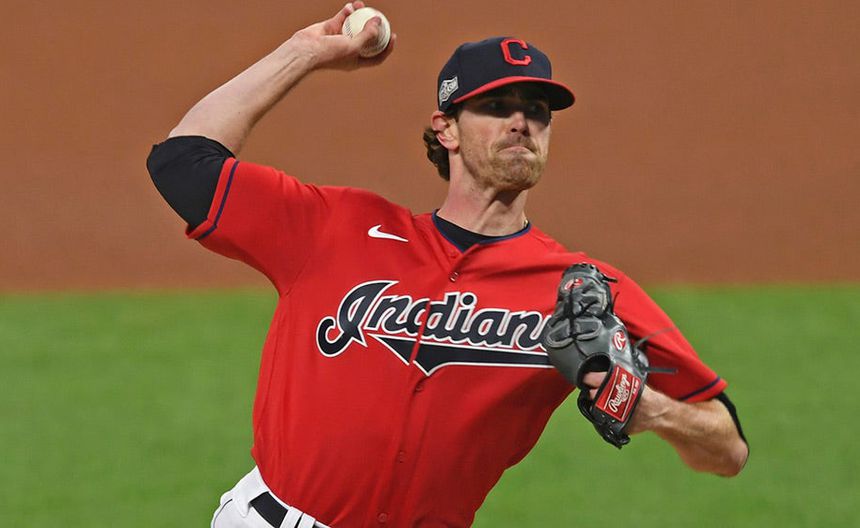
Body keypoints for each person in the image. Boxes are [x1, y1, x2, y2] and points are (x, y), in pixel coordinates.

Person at [146, 3, 749, 527]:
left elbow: (728, 448)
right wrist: (305, 51)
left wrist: (652, 411)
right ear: (447, 130)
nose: (521, 122)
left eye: (538, 110)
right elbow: (181, 161)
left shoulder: (582, 288)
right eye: (497, 105)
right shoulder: (336, 227)